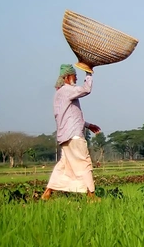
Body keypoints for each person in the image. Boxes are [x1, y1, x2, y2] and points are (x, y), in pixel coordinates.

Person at [42, 64, 101, 201]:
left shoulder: (59, 94)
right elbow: (86, 89)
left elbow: (70, 116)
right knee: (85, 163)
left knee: (64, 165)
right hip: (74, 136)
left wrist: (87, 125)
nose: (76, 77)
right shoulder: (67, 90)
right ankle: (91, 195)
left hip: (65, 136)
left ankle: (47, 193)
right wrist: (89, 73)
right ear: (67, 77)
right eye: (74, 75)